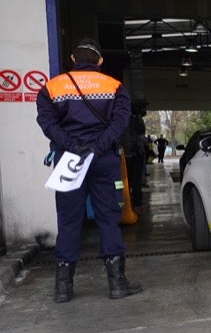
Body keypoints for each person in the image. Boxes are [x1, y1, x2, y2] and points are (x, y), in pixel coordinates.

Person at [35, 37, 143, 302]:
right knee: (108, 218)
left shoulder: (51, 88)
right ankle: (117, 284)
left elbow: (47, 123)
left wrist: (72, 145)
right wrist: (97, 147)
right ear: (100, 61)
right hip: (103, 160)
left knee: (69, 221)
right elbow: (119, 124)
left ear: (73, 59)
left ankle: (63, 289)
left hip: (68, 161)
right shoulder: (115, 87)